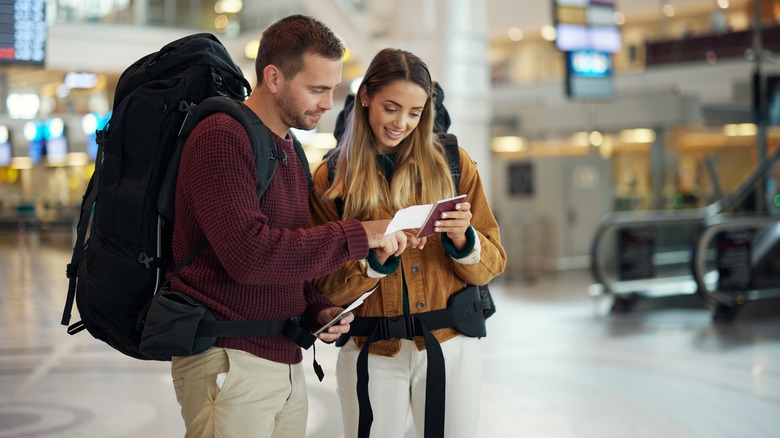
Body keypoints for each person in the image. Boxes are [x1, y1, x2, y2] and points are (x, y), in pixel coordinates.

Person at [168, 16, 408, 438]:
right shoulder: (221, 135)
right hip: (229, 360)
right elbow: (250, 256)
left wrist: (317, 308)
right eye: (316, 89)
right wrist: (360, 233)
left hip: (284, 359)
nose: (328, 103)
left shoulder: (289, 149)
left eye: (332, 89)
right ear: (273, 77)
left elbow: (288, 256)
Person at [310, 48, 506, 438]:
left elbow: (494, 261)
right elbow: (322, 285)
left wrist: (463, 239)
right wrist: (373, 263)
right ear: (365, 96)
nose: (401, 123)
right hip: (371, 349)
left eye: (415, 113)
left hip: (451, 346)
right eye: (391, 107)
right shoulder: (332, 177)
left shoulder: (454, 164)